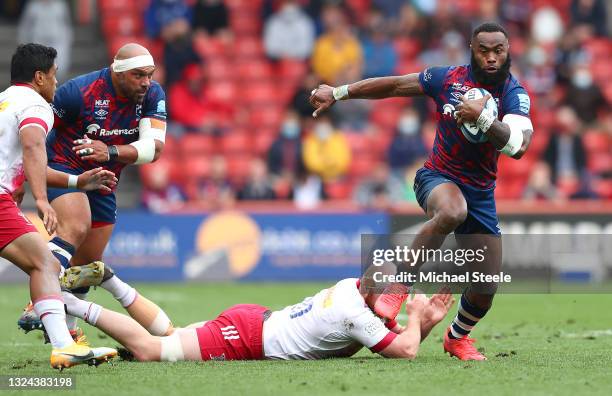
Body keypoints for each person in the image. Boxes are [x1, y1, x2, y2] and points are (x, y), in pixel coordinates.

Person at [310, 22, 534, 360]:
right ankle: (399, 287)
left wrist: (485, 121)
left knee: (487, 284)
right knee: (452, 211)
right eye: (483, 51)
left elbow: (518, 146)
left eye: (497, 51)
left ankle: (457, 338)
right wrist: (339, 92)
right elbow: (395, 85)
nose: (490, 58)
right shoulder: (447, 79)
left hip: (481, 194)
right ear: (471, 50)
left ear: (508, 53)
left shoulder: (514, 94)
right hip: (437, 177)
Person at [19, 43, 176, 343]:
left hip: (106, 177)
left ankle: (64, 328)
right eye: (138, 75)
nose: (146, 82)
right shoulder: (78, 92)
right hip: (66, 165)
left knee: (87, 263)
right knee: (77, 224)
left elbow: (154, 148)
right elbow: (39, 132)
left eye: (149, 75)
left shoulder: (152, 95)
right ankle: (37, 304)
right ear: (117, 73)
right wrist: (35, 177)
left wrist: (111, 152)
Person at [59, 263, 455, 362]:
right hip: (246, 338)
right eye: (391, 298)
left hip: (254, 321)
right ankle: (70, 303)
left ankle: (112, 282)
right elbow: (404, 349)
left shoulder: (353, 287)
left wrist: (424, 323)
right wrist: (420, 320)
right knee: (151, 351)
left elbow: (393, 333)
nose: (394, 306)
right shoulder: (356, 313)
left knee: (170, 335)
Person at [1, 43, 117, 369]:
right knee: (46, 265)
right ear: (39, 77)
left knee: (46, 266)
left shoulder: (6, 100)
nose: (56, 82)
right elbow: (33, 146)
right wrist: (40, 198)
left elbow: (30, 160)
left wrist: (77, 183)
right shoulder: (35, 105)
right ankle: (64, 346)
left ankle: (64, 344)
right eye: (53, 76)